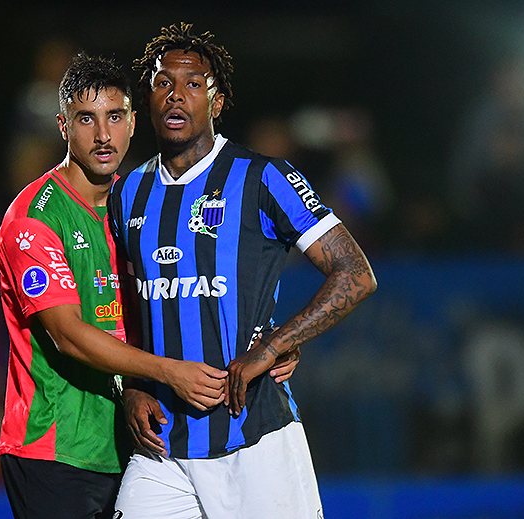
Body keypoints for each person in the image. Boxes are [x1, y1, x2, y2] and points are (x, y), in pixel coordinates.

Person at [0, 53, 299, 519]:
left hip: (136, 443)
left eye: (115, 117)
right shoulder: (34, 219)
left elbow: (184, 294)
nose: (103, 135)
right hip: (56, 451)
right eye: (86, 119)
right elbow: (67, 334)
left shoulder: (138, 201)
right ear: (63, 126)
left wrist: (270, 341)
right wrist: (166, 372)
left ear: (133, 122)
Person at [110, 22, 377, 518]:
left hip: (255, 437)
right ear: (147, 99)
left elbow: (355, 273)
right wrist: (133, 387)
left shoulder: (263, 178)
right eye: (163, 82)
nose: (176, 95)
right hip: (164, 447)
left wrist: (275, 344)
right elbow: (125, 305)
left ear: (217, 102)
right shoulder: (128, 193)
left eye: (193, 84)